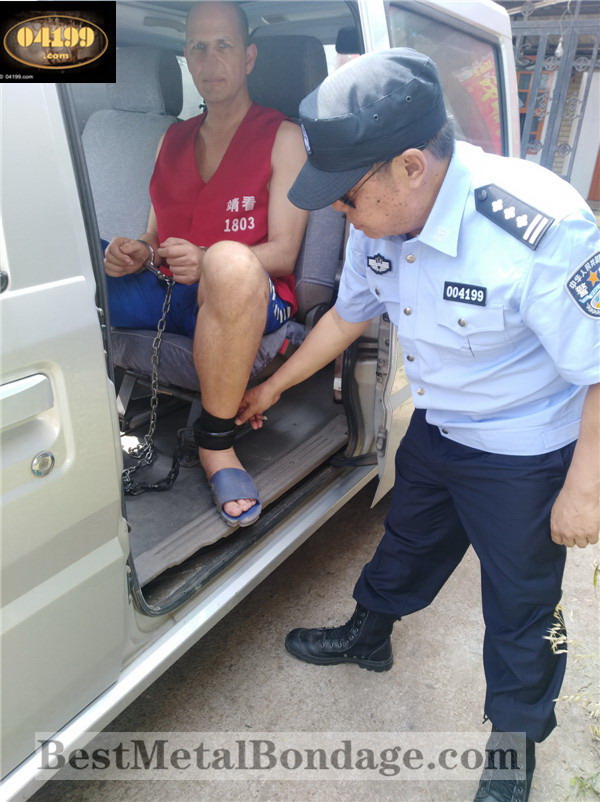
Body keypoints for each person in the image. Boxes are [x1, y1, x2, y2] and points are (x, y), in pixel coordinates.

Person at [236, 48, 600, 802]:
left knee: (522, 608)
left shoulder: (542, 228)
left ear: (410, 166)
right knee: (406, 541)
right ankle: (368, 637)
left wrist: (584, 490)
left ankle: (513, 750)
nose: (339, 212)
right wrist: (270, 386)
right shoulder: (381, 216)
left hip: (524, 453)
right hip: (440, 428)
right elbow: (347, 316)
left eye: (346, 196)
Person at [103, 1, 308, 526]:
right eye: (198, 47)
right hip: (170, 289)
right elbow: (154, 236)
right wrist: (135, 253)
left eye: (223, 46)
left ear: (248, 57)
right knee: (80, 259)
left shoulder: (283, 137)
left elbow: (284, 251)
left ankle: (216, 443)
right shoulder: (171, 139)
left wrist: (209, 259)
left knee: (229, 263)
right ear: (187, 57)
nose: (209, 60)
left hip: (250, 292)